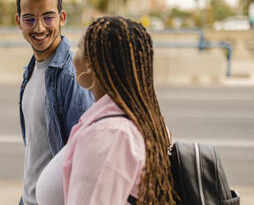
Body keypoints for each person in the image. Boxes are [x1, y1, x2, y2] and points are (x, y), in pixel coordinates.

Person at [36, 16, 176, 204]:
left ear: (91, 65)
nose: (73, 54)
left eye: (79, 47)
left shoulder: (108, 134)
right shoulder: (135, 122)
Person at [15, 0, 94, 205]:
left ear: (62, 18)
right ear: (18, 22)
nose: (39, 28)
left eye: (47, 17)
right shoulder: (31, 70)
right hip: (29, 198)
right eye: (29, 19)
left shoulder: (71, 76)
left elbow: (82, 156)